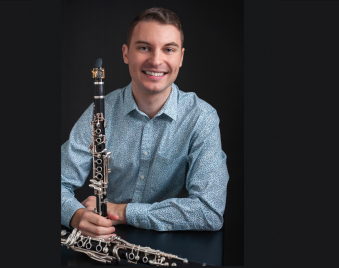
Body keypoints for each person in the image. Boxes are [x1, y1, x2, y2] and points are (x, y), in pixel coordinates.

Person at [61, 7, 229, 239]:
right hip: (108, 239)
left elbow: (209, 211)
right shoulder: (100, 111)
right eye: (143, 47)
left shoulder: (202, 117)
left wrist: (124, 211)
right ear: (126, 53)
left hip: (173, 245)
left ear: (180, 57)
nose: (156, 60)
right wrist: (76, 216)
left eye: (168, 49)